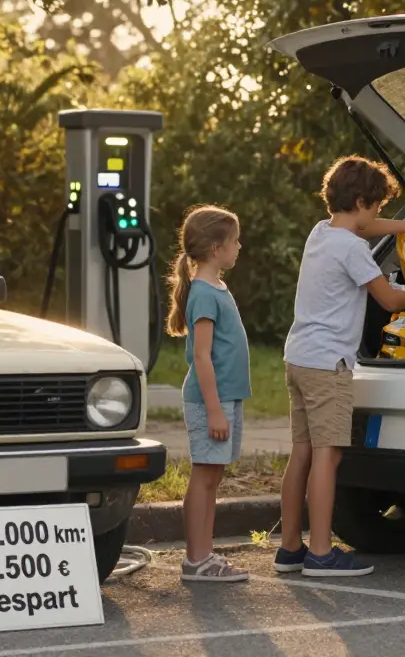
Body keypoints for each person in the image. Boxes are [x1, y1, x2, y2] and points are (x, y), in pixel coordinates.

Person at [276, 155, 405, 578]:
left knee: (300, 453)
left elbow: (365, 226)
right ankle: (321, 553)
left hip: (298, 356)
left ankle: (290, 549)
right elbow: (390, 301)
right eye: (376, 205)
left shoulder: (321, 233)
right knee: (329, 455)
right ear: (361, 200)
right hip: (328, 365)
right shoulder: (354, 249)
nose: (377, 214)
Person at [166, 204, 252, 582]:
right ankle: (196, 559)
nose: (239, 246)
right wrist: (215, 411)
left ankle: (204, 554)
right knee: (204, 476)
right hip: (209, 402)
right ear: (216, 248)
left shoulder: (215, 286)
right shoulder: (203, 293)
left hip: (224, 398)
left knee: (212, 476)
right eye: (234, 240)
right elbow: (201, 356)